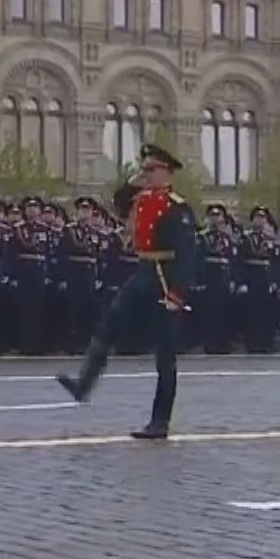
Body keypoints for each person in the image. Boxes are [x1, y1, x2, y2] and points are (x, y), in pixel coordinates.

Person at [55, 143, 199, 439]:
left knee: (165, 352)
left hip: (164, 275)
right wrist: (131, 182)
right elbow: (118, 203)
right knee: (110, 322)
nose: (145, 175)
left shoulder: (177, 207)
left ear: (167, 172)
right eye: (143, 169)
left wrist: (178, 293)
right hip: (144, 271)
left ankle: (160, 421)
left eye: (151, 170)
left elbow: (188, 253)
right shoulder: (143, 200)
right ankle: (83, 383)